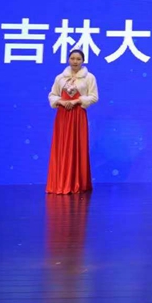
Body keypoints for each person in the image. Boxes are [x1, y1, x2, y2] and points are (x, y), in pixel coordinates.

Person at [46, 49, 98, 194]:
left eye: (78, 59)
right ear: (68, 59)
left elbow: (94, 97)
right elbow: (52, 95)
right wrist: (60, 102)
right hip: (63, 115)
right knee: (62, 146)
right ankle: (60, 183)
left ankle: (76, 183)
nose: (75, 61)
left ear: (83, 61)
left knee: (77, 146)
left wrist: (77, 101)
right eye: (72, 58)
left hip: (78, 115)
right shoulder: (60, 78)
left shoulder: (89, 77)